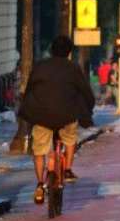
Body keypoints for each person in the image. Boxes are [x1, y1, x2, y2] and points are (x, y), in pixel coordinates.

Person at [18, 36, 95, 205]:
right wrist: (89, 108)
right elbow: (85, 92)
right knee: (70, 139)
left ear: (51, 50)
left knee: (39, 150)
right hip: (67, 116)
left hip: (41, 116)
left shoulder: (40, 66)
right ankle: (67, 169)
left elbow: (29, 89)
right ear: (69, 52)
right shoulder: (73, 68)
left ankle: (39, 185)